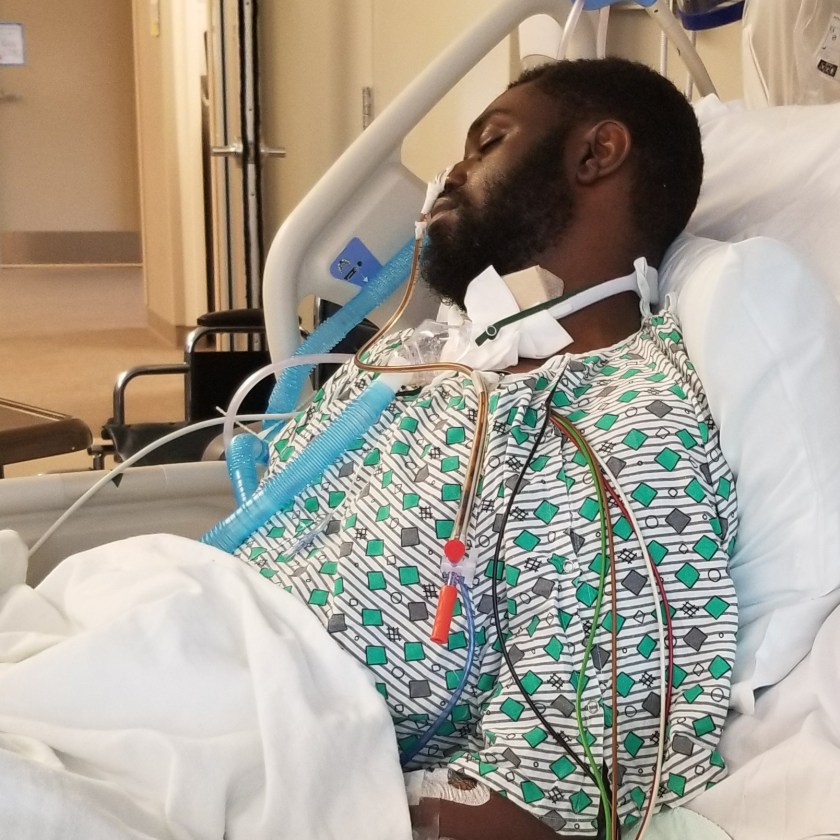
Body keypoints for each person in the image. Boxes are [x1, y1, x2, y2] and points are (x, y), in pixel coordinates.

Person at [234, 58, 738, 839]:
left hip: (258, 742)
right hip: (185, 634)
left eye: (488, 142)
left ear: (597, 153)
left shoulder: (626, 429)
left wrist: (317, 804)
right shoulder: (418, 355)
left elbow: (554, 780)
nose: (450, 174)